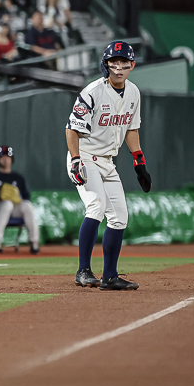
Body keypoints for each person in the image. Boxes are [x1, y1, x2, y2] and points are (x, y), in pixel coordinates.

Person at [65, 41, 152, 290]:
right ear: (106, 65)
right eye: (114, 63)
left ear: (132, 65)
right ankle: (83, 271)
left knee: (120, 216)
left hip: (107, 161)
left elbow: (131, 129)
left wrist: (139, 162)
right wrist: (75, 161)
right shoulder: (92, 91)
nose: (119, 68)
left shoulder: (134, 92)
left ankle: (110, 276)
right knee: (96, 206)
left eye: (124, 64)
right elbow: (71, 130)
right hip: (85, 154)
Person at [0, 146, 40, 253]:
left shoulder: (18, 178)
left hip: (15, 209)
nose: (5, 159)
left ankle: (34, 242)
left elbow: (26, 197)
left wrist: (17, 199)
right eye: (2, 157)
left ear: (12, 159)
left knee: (27, 205)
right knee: (7, 204)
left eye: (8, 157)